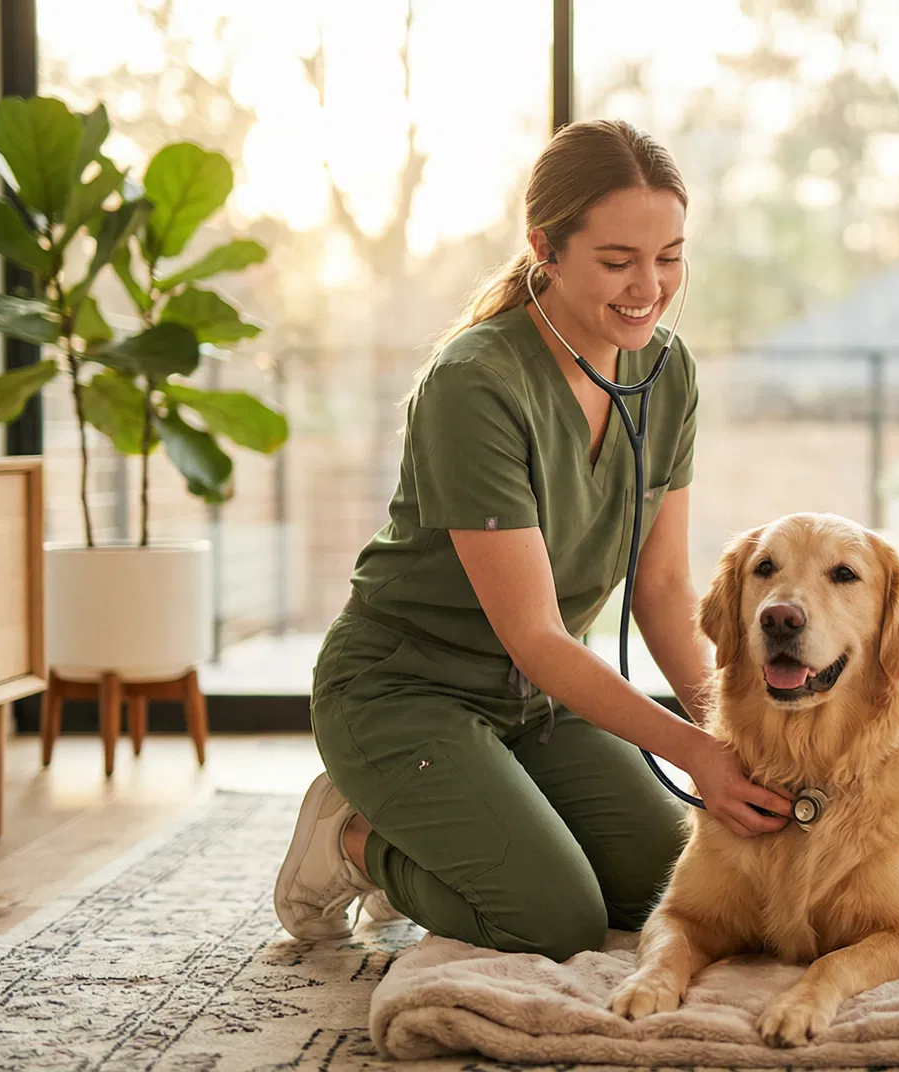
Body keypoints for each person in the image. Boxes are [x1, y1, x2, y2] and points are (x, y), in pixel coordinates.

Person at [272, 119, 795, 959]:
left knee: (670, 889)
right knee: (553, 919)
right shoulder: (474, 382)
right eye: (618, 261)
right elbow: (537, 636)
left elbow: (663, 590)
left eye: (669, 257)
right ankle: (352, 841)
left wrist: (742, 740)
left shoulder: (668, 372)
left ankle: (482, 819)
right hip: (404, 692)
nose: (650, 287)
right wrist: (694, 753)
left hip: (539, 705)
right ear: (545, 248)